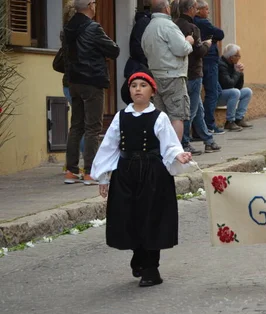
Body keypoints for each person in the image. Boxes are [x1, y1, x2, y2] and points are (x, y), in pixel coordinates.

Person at [90, 71, 194, 287]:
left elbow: (169, 143)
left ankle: (151, 269)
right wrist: (103, 177)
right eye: (134, 85)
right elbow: (109, 147)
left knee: (151, 217)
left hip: (153, 173)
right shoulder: (121, 117)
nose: (137, 89)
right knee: (129, 216)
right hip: (126, 173)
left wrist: (179, 154)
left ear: (152, 91)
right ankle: (138, 255)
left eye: (143, 85)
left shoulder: (160, 117)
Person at [63, 0, 120, 185]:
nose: (96, 6)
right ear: (89, 5)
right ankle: (90, 172)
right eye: (94, 3)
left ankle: (71, 171)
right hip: (92, 80)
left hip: (73, 81)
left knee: (76, 125)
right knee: (93, 127)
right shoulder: (93, 27)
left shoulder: (68, 28)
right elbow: (114, 49)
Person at [142, 0, 194, 142]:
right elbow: (181, 49)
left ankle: (163, 149)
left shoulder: (148, 28)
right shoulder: (168, 26)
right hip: (173, 75)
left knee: (162, 116)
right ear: (166, 8)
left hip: (156, 75)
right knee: (177, 115)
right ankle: (175, 152)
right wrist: (188, 41)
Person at [175, 0, 221, 154]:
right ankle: (185, 143)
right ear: (191, 9)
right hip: (193, 73)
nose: (197, 9)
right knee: (190, 110)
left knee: (198, 109)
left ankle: (208, 140)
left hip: (181, 72)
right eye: (195, 7)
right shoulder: (192, 27)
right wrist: (207, 44)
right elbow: (198, 51)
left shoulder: (175, 25)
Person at [194, 1, 226, 134]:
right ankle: (209, 124)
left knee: (216, 91)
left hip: (204, 59)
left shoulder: (196, 22)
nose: (208, 12)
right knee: (212, 92)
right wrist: (213, 37)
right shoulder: (203, 22)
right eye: (206, 9)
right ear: (199, 10)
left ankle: (204, 124)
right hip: (209, 59)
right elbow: (220, 33)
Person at [217, 44, 254, 131]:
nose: (239, 58)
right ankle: (230, 121)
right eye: (237, 56)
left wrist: (240, 73)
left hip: (228, 94)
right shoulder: (221, 65)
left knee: (247, 91)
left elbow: (238, 86)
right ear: (231, 57)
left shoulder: (232, 64)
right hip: (218, 96)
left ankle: (239, 119)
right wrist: (237, 73)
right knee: (235, 92)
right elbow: (228, 85)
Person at [124, 0, 152, 78]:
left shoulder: (145, 21)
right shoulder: (145, 22)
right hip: (140, 68)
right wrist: (147, 63)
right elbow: (136, 47)